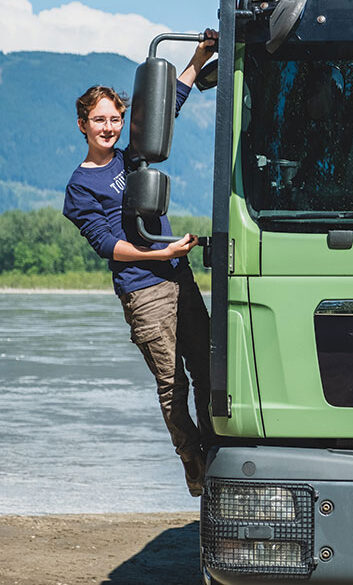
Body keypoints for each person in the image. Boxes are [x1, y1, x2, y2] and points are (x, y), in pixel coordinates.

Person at [62, 30, 219, 497]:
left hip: (178, 275)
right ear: (83, 125)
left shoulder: (135, 155)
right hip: (143, 289)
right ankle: (191, 456)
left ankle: (217, 450)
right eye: (98, 120)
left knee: (208, 369)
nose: (108, 127)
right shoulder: (80, 188)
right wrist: (160, 252)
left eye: (114, 118)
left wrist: (196, 59)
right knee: (173, 385)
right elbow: (108, 245)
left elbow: (166, 109)